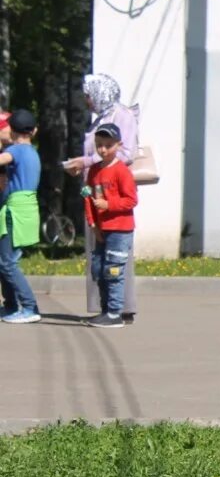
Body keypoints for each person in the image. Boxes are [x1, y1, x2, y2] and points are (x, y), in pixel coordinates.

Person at [65, 75, 141, 323]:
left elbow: (125, 153)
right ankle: (106, 307)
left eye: (89, 94)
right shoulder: (100, 116)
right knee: (98, 257)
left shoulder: (121, 115)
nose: (87, 100)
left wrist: (86, 162)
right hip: (95, 192)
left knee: (116, 259)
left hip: (111, 197)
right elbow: (96, 152)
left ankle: (119, 310)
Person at [83, 124, 139, 329]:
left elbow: (131, 200)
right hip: (101, 228)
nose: (103, 150)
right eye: (99, 145)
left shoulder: (121, 171)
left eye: (108, 145)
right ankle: (105, 310)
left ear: (118, 145)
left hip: (120, 228)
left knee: (113, 270)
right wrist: (93, 223)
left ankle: (115, 313)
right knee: (98, 268)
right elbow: (87, 198)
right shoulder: (94, 171)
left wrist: (109, 205)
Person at [0, 109, 43, 323]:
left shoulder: (16, 151)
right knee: (4, 260)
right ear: (34, 130)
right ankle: (10, 305)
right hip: (25, 208)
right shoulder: (32, 151)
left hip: (15, 210)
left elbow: (4, 158)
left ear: (12, 131)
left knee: (7, 263)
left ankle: (29, 307)